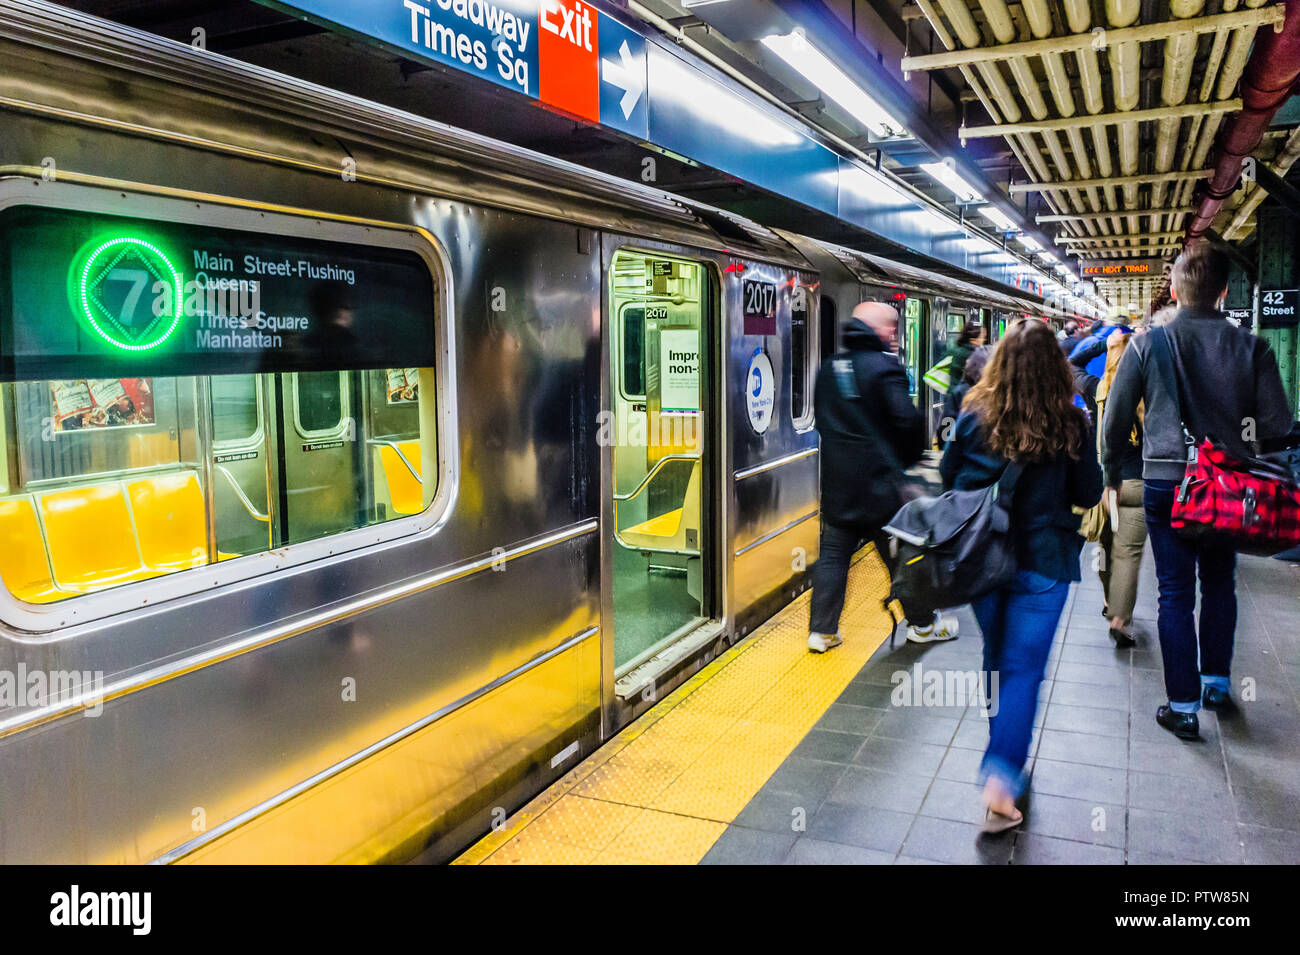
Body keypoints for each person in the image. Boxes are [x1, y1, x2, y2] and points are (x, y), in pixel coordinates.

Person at [1103, 241, 1292, 739]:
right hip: (1226, 486)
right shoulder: (1253, 347)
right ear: (1225, 291)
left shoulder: (1147, 344)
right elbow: (1277, 427)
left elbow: (1116, 420)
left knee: (1174, 593)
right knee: (1220, 583)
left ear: (1173, 289)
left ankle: (1182, 706)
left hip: (1167, 482)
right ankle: (1215, 683)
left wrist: (1110, 473)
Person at [940, 319, 1102, 831]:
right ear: (1056, 368)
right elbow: (1089, 494)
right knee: (1022, 670)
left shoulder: (972, 416)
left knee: (996, 660)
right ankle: (1001, 777)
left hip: (982, 560)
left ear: (1000, 363)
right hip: (1043, 563)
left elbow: (948, 479)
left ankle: (1002, 757)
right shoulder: (1071, 423)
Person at [809, 302, 958, 653]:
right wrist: (909, 461)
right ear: (885, 331)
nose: (895, 336)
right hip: (879, 488)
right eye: (892, 329)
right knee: (902, 556)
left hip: (837, 485)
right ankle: (922, 624)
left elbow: (822, 420)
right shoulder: (885, 368)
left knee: (833, 556)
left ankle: (822, 631)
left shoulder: (829, 367)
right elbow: (906, 422)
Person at [1074, 326, 1147, 646]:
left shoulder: (1096, 387)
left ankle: (1108, 602)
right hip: (1138, 484)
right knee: (1127, 555)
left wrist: (1105, 343)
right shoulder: (1149, 394)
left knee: (1104, 549)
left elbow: (1070, 364)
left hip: (1105, 485)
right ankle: (1120, 618)